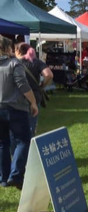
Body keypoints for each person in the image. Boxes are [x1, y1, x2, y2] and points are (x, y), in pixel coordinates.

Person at [0, 35, 38, 189]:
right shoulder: (14, 64)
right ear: (7, 48)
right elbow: (22, 85)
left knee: (2, 144)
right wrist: (33, 102)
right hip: (16, 108)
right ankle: (15, 175)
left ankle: (4, 178)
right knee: (23, 140)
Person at [15, 43, 53, 135]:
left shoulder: (13, 63)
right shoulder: (36, 62)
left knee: (15, 130)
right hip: (34, 97)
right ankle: (29, 147)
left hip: (16, 98)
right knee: (30, 128)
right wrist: (43, 86)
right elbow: (49, 75)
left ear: (18, 51)